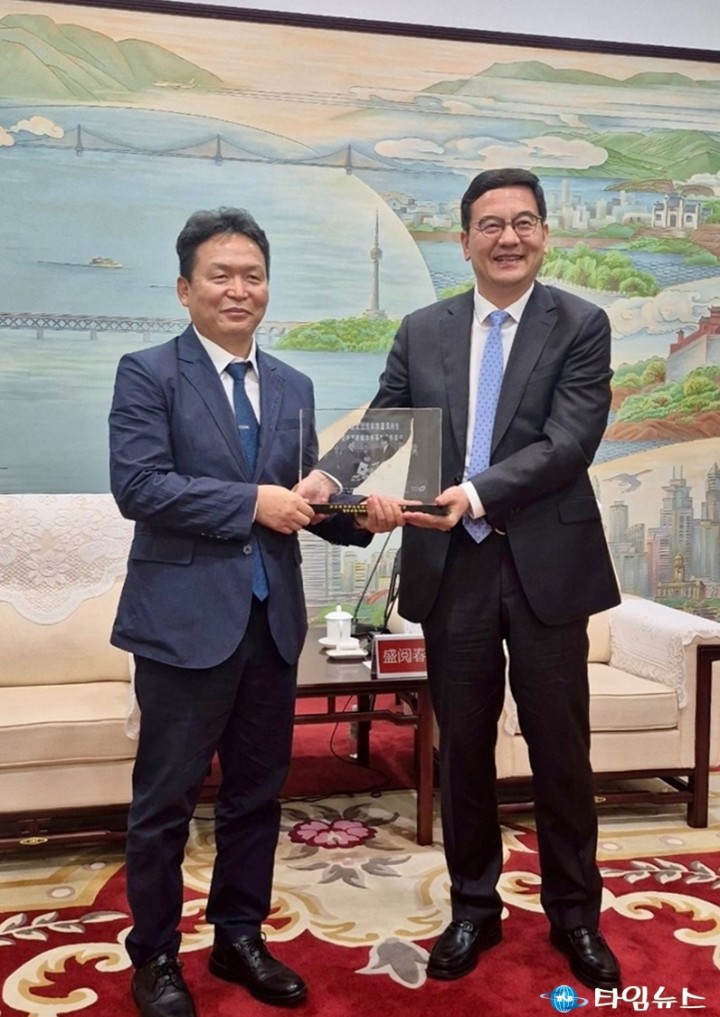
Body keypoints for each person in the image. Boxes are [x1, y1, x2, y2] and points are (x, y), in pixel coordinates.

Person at [301, 167, 622, 990]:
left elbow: (569, 442)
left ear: (545, 234)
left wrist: (474, 492)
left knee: (561, 750)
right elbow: (386, 419)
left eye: (523, 222)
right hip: (454, 568)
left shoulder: (581, 324)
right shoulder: (423, 329)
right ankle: (474, 906)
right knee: (464, 749)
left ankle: (575, 914)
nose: (508, 237)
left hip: (547, 567)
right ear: (464, 239)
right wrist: (327, 480)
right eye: (490, 224)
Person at [109, 207, 399, 1017]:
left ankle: (238, 936)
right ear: (185, 288)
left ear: (268, 287)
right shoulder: (148, 373)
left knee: (255, 796)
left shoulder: (294, 385)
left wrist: (362, 513)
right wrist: (250, 502)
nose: (239, 289)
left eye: (253, 276)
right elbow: (139, 486)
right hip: (180, 627)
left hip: (271, 627)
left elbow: (303, 502)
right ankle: (155, 956)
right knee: (164, 804)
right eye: (220, 275)